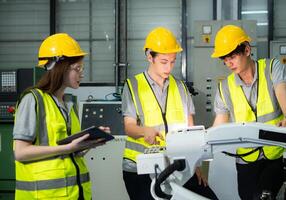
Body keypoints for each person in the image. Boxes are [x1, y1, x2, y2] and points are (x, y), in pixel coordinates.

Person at [122, 27, 218, 200]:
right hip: (140, 169)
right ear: (150, 57)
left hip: (178, 167)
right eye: (164, 61)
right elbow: (129, 127)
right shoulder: (133, 86)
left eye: (173, 61)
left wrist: (197, 166)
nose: (169, 67)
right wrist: (144, 131)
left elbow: (191, 130)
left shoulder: (180, 87)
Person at [13, 33, 108, 200]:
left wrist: (87, 144)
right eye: (77, 69)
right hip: (44, 196)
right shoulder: (33, 100)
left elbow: (69, 154)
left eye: (82, 69)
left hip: (75, 194)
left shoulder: (68, 104)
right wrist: (67, 148)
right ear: (59, 67)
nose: (82, 74)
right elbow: (20, 152)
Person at [211, 25, 286, 200]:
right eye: (225, 59)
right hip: (246, 159)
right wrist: (202, 142)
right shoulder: (225, 87)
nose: (229, 63)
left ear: (247, 50)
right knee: (247, 196)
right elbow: (218, 124)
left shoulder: (271, 67)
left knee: (263, 196)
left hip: (274, 154)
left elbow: (282, 91)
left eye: (233, 57)